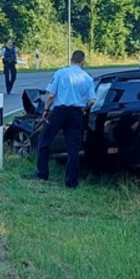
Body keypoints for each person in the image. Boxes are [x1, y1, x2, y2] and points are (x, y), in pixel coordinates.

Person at [30, 49, 95, 188]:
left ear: (71, 60)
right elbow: (92, 101)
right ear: (82, 61)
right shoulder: (87, 78)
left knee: (45, 140)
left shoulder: (61, 73)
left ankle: (42, 173)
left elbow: (51, 95)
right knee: (73, 147)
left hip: (59, 111)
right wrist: (83, 110)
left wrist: (46, 109)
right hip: (76, 113)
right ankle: (71, 181)